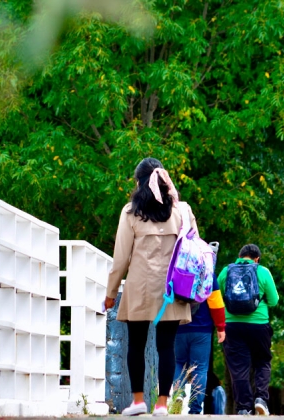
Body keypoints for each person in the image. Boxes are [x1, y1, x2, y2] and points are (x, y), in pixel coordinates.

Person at [105, 157, 197, 417]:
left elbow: (121, 257)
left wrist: (111, 294)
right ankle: (162, 405)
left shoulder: (130, 212)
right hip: (173, 289)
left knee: (136, 344)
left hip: (140, 287)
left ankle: (138, 402)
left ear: (139, 182)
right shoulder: (182, 211)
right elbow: (193, 250)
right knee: (166, 347)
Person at [217, 244, 279, 415]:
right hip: (259, 324)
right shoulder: (263, 271)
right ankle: (261, 399)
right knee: (262, 362)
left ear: (240, 255)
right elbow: (274, 301)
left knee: (238, 367)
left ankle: (243, 407)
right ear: (256, 258)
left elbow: (217, 295)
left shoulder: (226, 271)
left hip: (232, 325)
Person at [173, 276, 226, 414]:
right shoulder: (207, 270)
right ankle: (195, 409)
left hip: (179, 325)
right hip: (202, 328)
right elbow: (216, 302)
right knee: (200, 368)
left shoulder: (177, 266)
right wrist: (221, 327)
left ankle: (178, 394)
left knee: (179, 363)